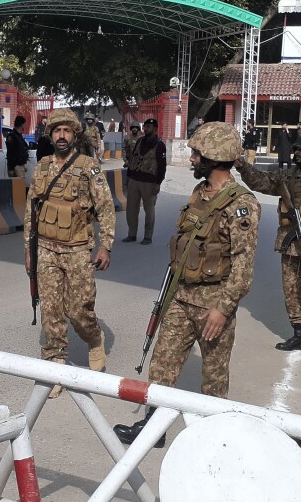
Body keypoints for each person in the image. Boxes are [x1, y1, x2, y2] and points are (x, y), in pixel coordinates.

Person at [114, 123, 260, 447]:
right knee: (162, 364)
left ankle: (214, 440)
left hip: (214, 303)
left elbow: (243, 269)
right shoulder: (200, 193)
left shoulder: (242, 205)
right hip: (181, 296)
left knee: (214, 377)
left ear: (213, 156)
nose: (192, 158)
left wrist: (222, 310)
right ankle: (153, 429)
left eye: (196, 153)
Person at [24, 108, 116, 398]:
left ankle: (94, 338)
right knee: (51, 309)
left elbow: (106, 207)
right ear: (50, 135)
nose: (61, 135)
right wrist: (29, 249)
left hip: (77, 249)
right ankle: (56, 366)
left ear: (74, 134)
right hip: (47, 249)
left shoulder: (89, 166)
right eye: (56, 130)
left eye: (66, 130)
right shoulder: (42, 167)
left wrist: (106, 245)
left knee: (78, 310)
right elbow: (32, 211)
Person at [236, 133, 301, 363]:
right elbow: (261, 181)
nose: (296, 153)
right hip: (290, 244)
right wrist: (243, 166)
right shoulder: (288, 176)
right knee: (291, 292)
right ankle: (299, 336)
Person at [122, 118, 166, 245]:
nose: (146, 128)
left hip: (149, 182)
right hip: (134, 179)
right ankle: (132, 234)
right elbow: (133, 159)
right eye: (145, 126)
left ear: (155, 129)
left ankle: (148, 236)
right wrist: (129, 176)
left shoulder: (160, 145)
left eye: (149, 127)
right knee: (131, 209)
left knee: (149, 210)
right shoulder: (140, 141)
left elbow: (162, 166)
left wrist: (158, 183)